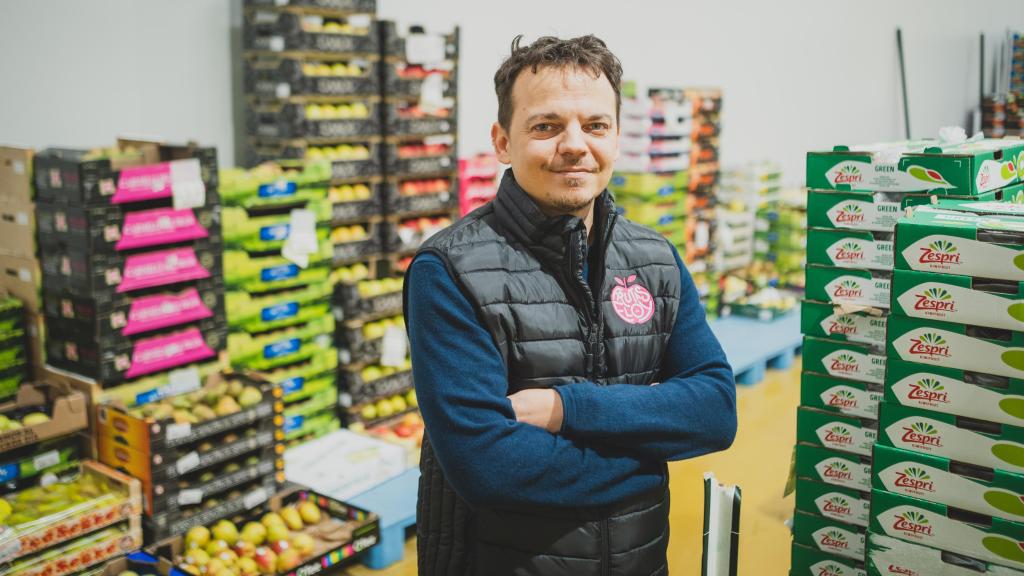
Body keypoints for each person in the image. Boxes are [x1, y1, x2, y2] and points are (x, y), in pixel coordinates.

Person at [403, 34, 737, 576]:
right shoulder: (448, 271)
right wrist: (653, 455)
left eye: (596, 125)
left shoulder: (655, 259)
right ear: (502, 141)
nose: (575, 145)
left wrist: (566, 409)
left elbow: (716, 411)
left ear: (616, 138)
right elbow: (489, 465)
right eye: (546, 126)